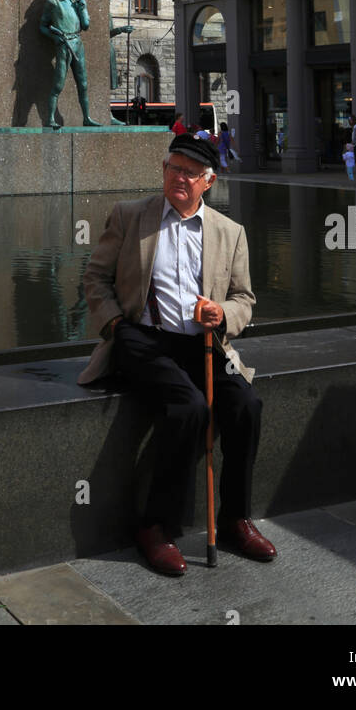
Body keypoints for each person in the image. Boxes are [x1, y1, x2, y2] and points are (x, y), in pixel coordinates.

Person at [78, 133, 276, 576]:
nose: (179, 178)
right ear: (164, 171)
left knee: (246, 404)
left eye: (190, 172)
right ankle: (154, 526)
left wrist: (221, 312)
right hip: (142, 339)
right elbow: (95, 278)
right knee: (188, 408)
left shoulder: (230, 232)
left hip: (204, 343)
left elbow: (245, 298)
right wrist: (114, 326)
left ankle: (235, 518)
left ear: (209, 181)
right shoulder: (131, 216)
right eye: (173, 168)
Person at [39, 0, 99, 129]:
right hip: (64, 45)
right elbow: (43, 26)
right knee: (58, 84)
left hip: (78, 43)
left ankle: (86, 117)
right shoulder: (54, 3)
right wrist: (55, 37)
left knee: (83, 83)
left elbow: (86, 26)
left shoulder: (77, 3)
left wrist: (83, 8)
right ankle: (50, 118)